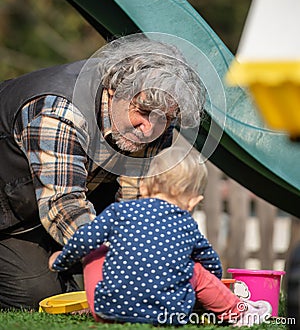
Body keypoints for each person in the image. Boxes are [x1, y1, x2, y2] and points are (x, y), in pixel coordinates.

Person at [0, 34, 204, 310]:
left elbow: (137, 199)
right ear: (114, 88)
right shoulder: (58, 110)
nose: (149, 129)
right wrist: (127, 257)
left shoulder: (154, 121)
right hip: (12, 212)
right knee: (37, 294)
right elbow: (63, 204)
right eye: (142, 112)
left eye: (164, 118)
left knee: (100, 287)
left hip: (70, 199)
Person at [49, 147, 271, 326]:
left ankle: (108, 300)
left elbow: (85, 238)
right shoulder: (187, 224)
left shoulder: (120, 212)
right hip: (169, 314)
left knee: (96, 251)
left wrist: (62, 260)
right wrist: (208, 285)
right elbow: (210, 263)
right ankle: (236, 312)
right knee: (195, 269)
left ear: (143, 188)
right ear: (193, 202)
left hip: (109, 311)